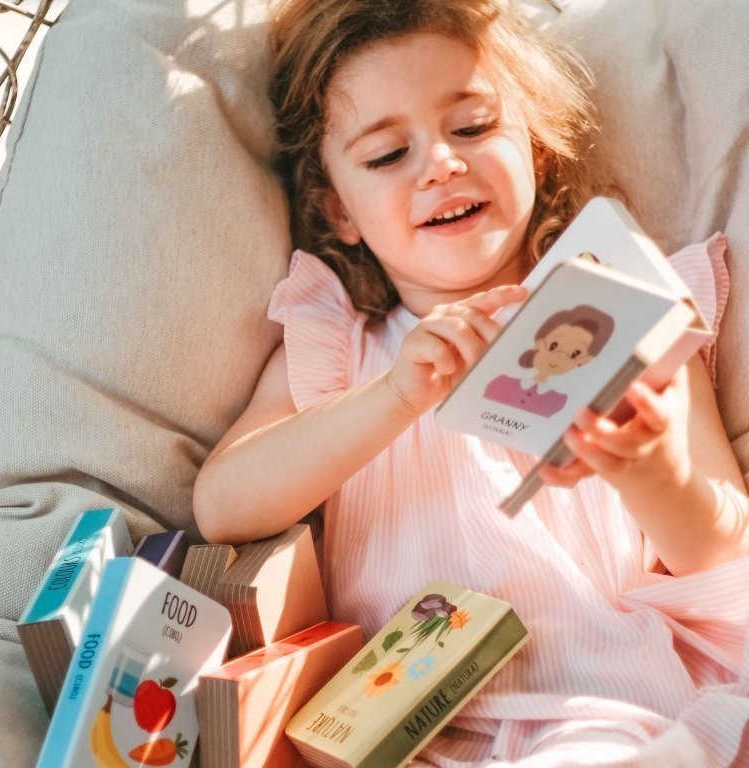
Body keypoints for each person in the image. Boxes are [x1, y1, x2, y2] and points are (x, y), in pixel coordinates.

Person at [194, 1, 749, 764]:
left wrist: (653, 471)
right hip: (395, 726)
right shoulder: (337, 348)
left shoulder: (627, 307)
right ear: (338, 210)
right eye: (388, 155)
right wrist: (394, 397)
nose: (441, 164)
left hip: (602, 701)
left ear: (538, 152)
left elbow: (723, 547)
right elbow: (222, 506)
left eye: (473, 126)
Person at [484, 304, 615, 417]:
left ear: (584, 361)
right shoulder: (501, 382)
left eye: (575, 354)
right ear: (539, 343)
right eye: (554, 346)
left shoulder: (559, 402)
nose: (559, 357)